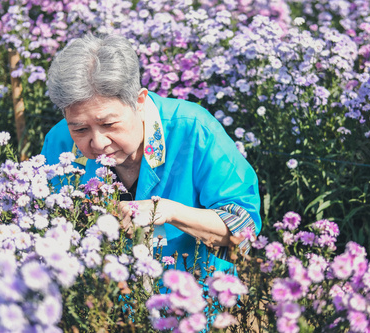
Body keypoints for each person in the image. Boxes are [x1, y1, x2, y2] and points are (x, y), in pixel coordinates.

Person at [41, 33, 261, 274]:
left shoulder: (194, 129)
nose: (99, 143)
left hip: (196, 295)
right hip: (101, 302)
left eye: (109, 124)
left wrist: (169, 212)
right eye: (81, 129)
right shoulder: (60, 141)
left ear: (139, 101)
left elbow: (244, 226)